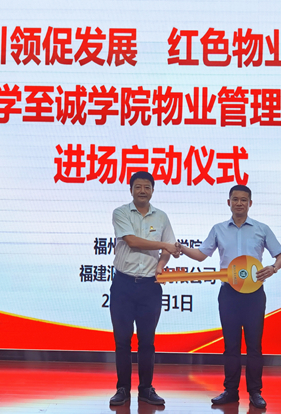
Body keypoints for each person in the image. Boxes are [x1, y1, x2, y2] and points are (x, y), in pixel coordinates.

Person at [176, 185, 281, 409]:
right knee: (231, 345)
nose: (239, 203)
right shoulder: (218, 229)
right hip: (229, 294)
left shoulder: (262, 229)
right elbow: (201, 255)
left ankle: (255, 392)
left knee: (254, 345)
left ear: (250, 203)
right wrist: (181, 248)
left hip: (254, 294)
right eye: (235, 199)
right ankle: (230, 390)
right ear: (228, 202)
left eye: (243, 200)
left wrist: (273, 268)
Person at [109, 170, 179, 406]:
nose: (142, 191)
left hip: (150, 286)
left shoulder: (161, 217)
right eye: (138, 187)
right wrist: (164, 245)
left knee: (147, 341)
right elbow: (131, 241)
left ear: (152, 190)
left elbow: (168, 249)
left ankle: (146, 389)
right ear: (131, 190)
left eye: (147, 187)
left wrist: (160, 264)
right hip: (123, 285)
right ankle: (122, 389)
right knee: (122, 341)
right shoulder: (120, 212)